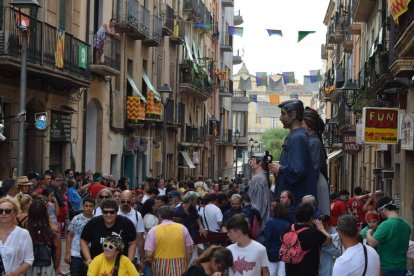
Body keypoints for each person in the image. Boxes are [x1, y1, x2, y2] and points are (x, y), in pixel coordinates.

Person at [270, 100, 317, 203]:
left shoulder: (297, 138)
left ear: (293, 115)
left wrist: (280, 169)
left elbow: (297, 171)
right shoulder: (297, 136)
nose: (280, 118)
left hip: (293, 203)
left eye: (283, 114)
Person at [80, 199, 137, 263]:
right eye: (105, 212)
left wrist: (129, 261)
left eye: (112, 212)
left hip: (120, 265)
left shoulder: (126, 224)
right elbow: (83, 241)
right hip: (97, 264)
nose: (108, 215)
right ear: (102, 212)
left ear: (116, 212)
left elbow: (132, 243)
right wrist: (88, 258)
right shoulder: (93, 223)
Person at [366, 196, 411, 276]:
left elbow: (372, 243)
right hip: (402, 267)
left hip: (387, 268)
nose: (380, 214)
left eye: (379, 211)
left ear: (384, 209)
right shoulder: (406, 224)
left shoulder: (385, 225)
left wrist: (368, 233)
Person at [282, 204, 331, 276]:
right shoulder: (313, 233)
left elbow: (281, 238)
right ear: (311, 218)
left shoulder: (289, 228)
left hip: (290, 270)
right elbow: (328, 239)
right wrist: (321, 228)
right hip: (307, 271)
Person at [144, 205, 194, 275]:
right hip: (179, 265)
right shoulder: (182, 228)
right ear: (172, 216)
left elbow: (149, 253)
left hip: (160, 267)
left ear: (160, 216)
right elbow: (189, 251)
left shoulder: (154, 230)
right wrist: (185, 264)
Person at [302, 107, 330, 215]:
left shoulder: (314, 142)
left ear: (309, 126)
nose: (300, 126)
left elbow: (313, 170)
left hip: (316, 183)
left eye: (302, 123)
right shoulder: (313, 140)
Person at [26, 199, 63, 275]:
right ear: (46, 214)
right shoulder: (53, 234)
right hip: (47, 269)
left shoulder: (25, 233)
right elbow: (57, 255)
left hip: (27, 268)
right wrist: (56, 267)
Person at [0, 198, 34, 275]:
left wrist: (14, 274)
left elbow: (29, 260)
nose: (3, 213)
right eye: (0, 211)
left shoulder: (23, 234)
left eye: (8, 211)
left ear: (15, 213)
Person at [65, 196, 95, 276]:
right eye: (86, 206)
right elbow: (70, 236)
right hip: (76, 254)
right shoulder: (76, 219)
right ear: (83, 206)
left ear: (94, 207)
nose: (88, 208)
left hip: (90, 255)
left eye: (91, 206)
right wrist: (68, 253)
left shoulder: (96, 220)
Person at [117, 190, 145, 270]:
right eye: (123, 201)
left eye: (128, 202)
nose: (125, 203)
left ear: (132, 200)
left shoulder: (137, 215)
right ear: (119, 200)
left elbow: (140, 238)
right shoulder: (113, 213)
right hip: (115, 254)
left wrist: (142, 259)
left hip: (132, 255)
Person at [263, 202, 290, 276]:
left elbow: (267, 238)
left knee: (271, 272)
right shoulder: (287, 224)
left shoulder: (269, 222)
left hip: (271, 252)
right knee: (282, 273)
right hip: (283, 252)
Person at [247, 154, 272, 229]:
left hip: (258, 223)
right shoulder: (264, 176)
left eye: (254, 159)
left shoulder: (258, 178)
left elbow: (256, 203)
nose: (251, 161)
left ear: (260, 162)